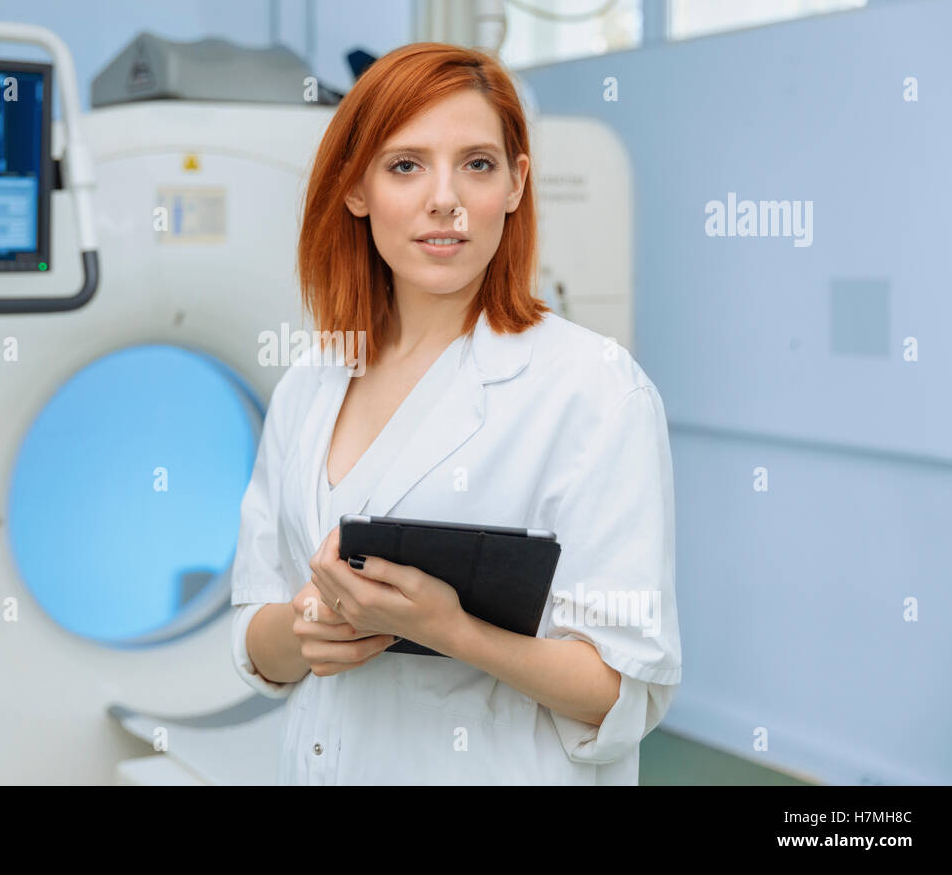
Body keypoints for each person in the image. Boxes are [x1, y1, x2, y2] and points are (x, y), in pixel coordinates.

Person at [229, 42, 680, 784]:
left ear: (515, 183)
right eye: (406, 165)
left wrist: (451, 632)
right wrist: (308, 627)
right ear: (355, 188)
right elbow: (255, 624)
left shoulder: (593, 391)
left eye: (477, 164)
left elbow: (626, 691)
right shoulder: (310, 384)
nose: (446, 198)